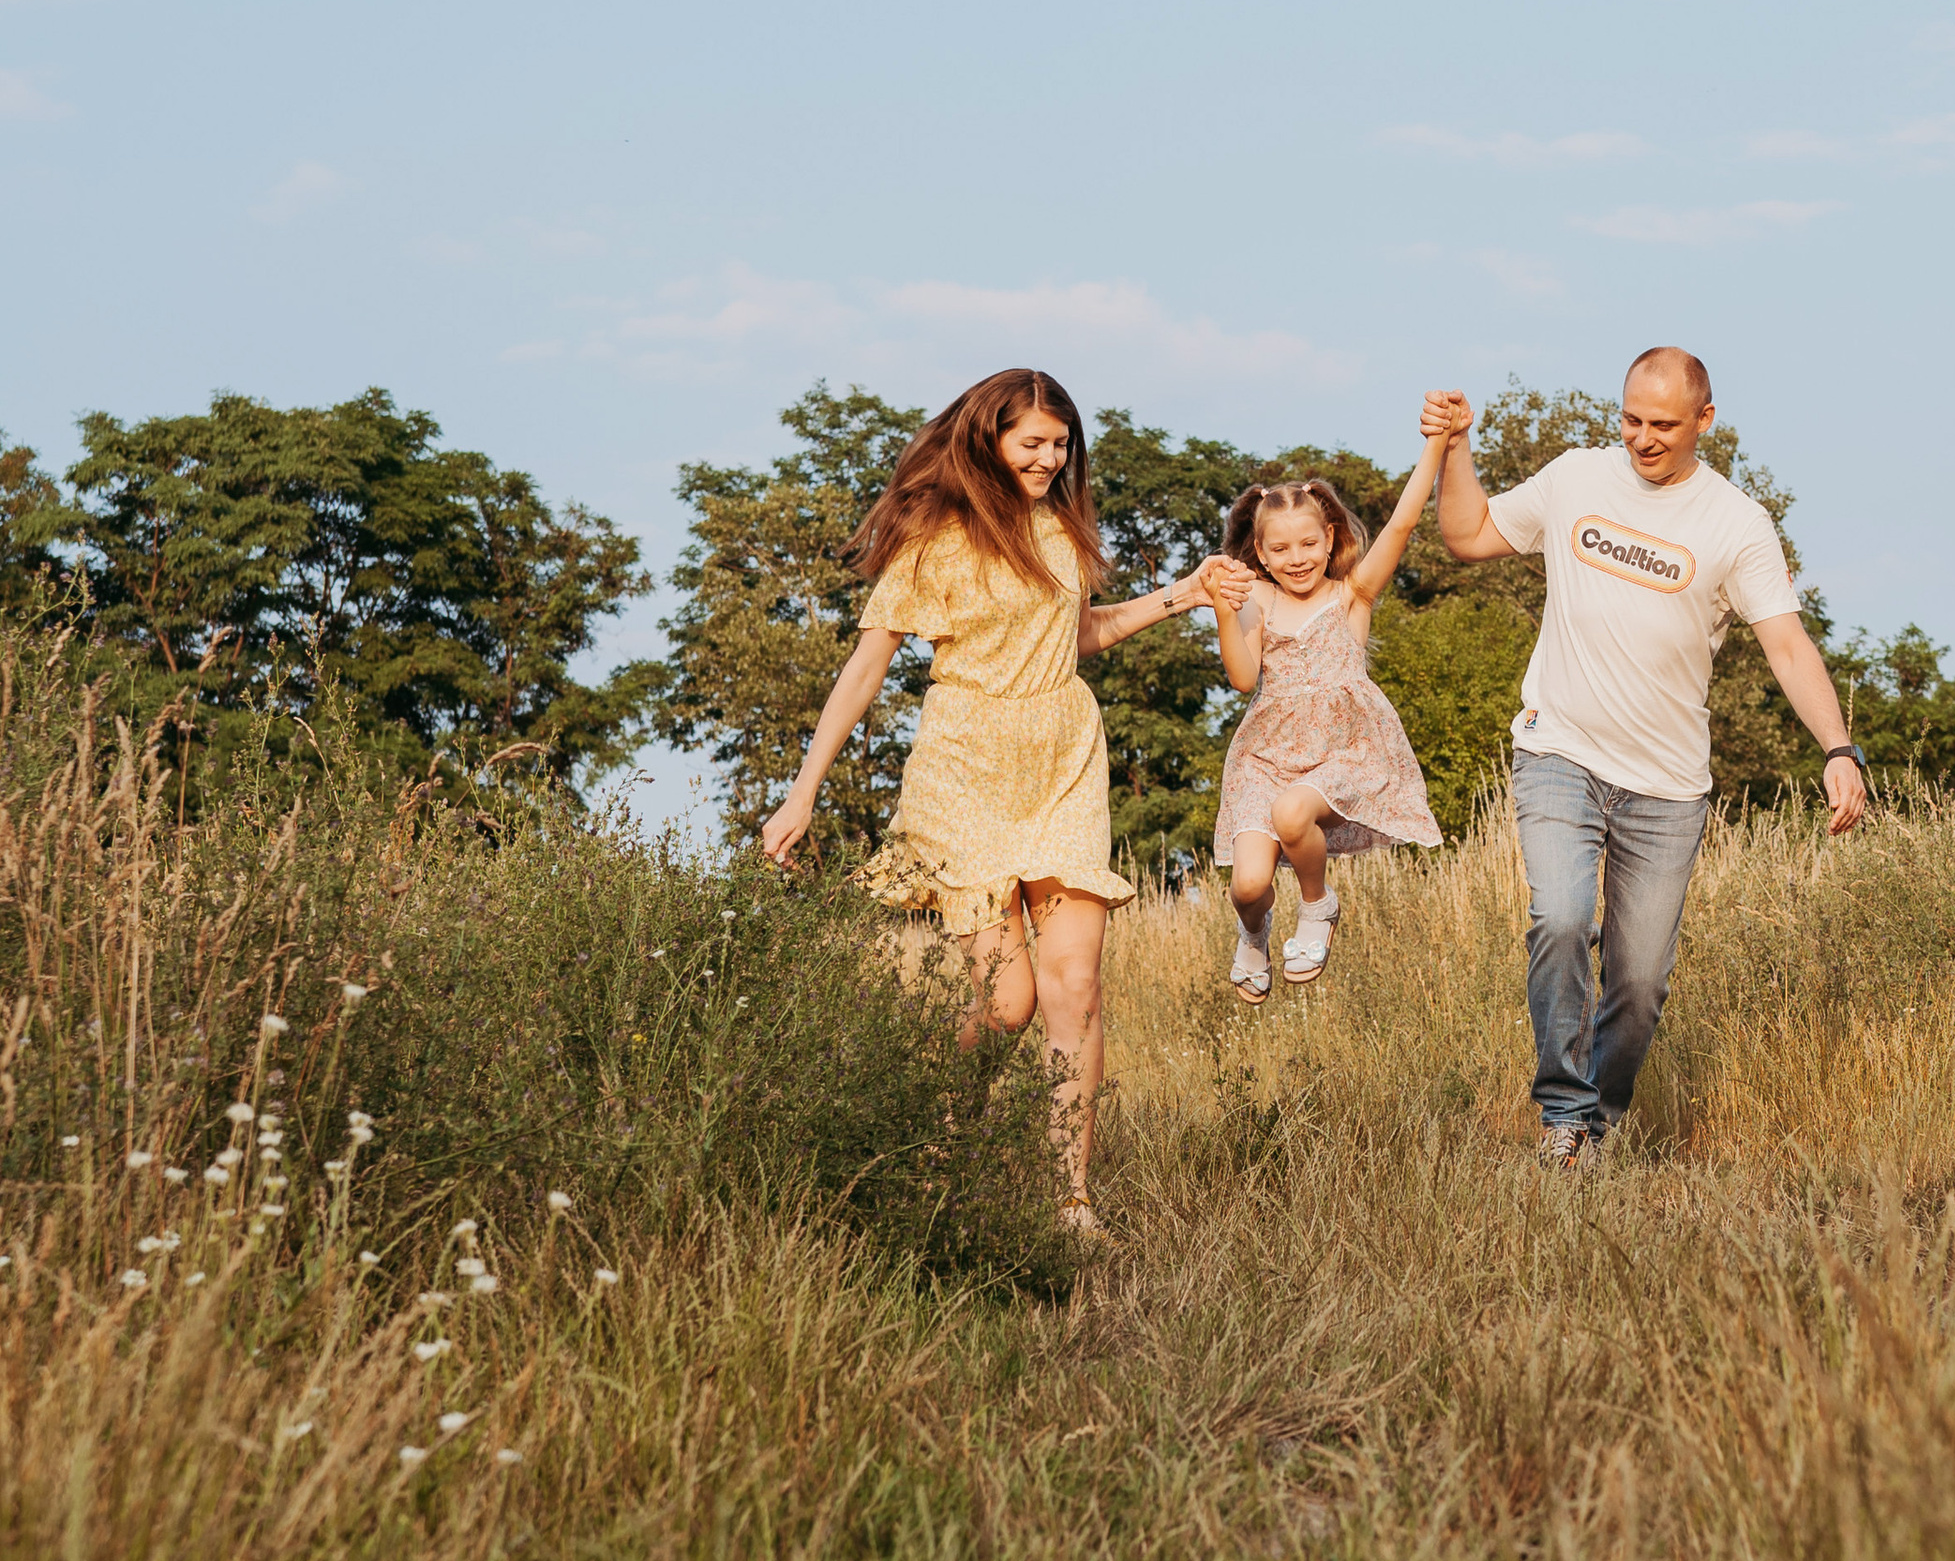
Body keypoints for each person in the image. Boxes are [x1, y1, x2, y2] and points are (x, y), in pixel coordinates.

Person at [757, 366, 1213, 1235]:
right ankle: (934, 1126)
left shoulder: (1064, 531)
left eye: (1061, 443)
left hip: (1064, 754)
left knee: (1074, 983)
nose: (1051, 457)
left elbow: (1077, 635)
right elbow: (866, 669)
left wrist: (1180, 595)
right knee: (1007, 1006)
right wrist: (801, 796)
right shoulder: (935, 537)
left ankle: (1072, 1200)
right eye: (1033, 442)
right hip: (964, 760)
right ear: (990, 439)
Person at [1424, 351, 1868, 1163]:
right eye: (1631, 419)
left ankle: (1601, 1117)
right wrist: (1456, 449)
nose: (1642, 439)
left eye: (1662, 424)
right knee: (1559, 919)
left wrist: (1838, 747)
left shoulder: (1737, 522)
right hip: (1558, 749)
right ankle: (1564, 1116)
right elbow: (1468, 535)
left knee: (1639, 984)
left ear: (1705, 419)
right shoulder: (1574, 478)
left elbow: (1788, 647)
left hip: (1666, 787)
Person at [1199, 425, 1452, 998]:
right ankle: (1254, 932)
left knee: (1294, 815)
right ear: (1260, 553)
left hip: (1343, 751)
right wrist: (1222, 608)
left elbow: (1404, 522)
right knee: (1247, 885)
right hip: (1265, 755)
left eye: (1309, 544)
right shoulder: (1258, 599)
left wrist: (1436, 445)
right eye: (1281, 549)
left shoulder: (1352, 595)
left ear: (1329, 538)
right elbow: (1242, 680)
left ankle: (1318, 905)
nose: (1297, 559)